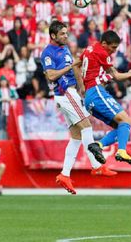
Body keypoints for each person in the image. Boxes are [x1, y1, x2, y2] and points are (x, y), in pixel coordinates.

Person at [40, 21, 117, 195]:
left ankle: (65, 174)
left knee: (75, 136)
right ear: (53, 36)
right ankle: (97, 165)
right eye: (62, 34)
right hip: (64, 92)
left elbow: (75, 67)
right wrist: (70, 66)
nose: (66, 36)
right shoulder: (48, 53)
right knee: (87, 126)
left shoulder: (65, 49)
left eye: (66, 33)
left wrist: (81, 85)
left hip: (72, 91)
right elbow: (51, 75)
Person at [78, 30, 131, 166]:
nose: (113, 51)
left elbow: (77, 64)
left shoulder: (91, 48)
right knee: (126, 119)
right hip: (96, 92)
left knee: (122, 126)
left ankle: (98, 145)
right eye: (112, 47)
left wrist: (82, 86)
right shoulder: (101, 52)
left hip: (89, 97)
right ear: (104, 43)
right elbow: (117, 76)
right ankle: (122, 151)